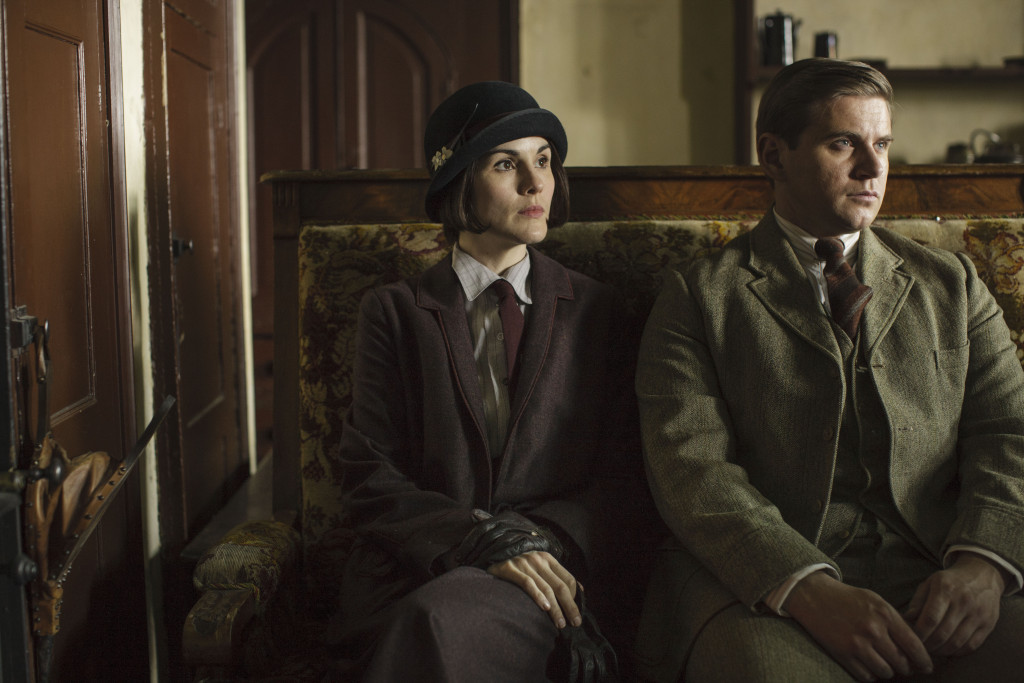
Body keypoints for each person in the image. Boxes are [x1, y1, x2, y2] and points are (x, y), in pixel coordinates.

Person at [634, 58, 1024, 682]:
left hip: (940, 568)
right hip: (766, 589)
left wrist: (984, 564)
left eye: (882, 145)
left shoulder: (951, 283)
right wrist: (807, 588)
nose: (873, 169)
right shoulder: (698, 296)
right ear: (774, 155)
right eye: (843, 143)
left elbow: (1010, 431)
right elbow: (691, 471)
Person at [329, 81, 642, 681]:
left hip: (554, 576)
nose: (535, 183)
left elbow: (626, 474)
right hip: (422, 567)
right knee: (431, 618)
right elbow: (369, 473)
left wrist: (529, 542)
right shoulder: (394, 312)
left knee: (439, 623)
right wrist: (480, 540)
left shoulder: (597, 310)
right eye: (506, 164)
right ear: (459, 184)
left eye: (543, 161)